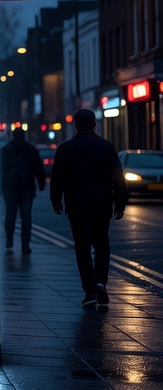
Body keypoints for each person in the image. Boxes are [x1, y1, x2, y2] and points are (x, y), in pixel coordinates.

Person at [50, 109, 128, 308]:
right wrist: (120, 204)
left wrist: (56, 201)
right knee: (102, 244)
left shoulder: (66, 148)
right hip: (102, 204)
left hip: (77, 205)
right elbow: (117, 178)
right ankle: (101, 281)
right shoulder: (107, 147)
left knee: (82, 247)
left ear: (75, 125)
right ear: (95, 125)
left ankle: (90, 291)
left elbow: (57, 177)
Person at [0, 127, 46, 254]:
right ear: (24, 136)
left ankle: (9, 240)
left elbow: (1, 170)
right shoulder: (31, 149)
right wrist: (41, 184)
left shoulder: (5, 150)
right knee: (26, 217)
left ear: (13, 136)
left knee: (10, 215)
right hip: (27, 187)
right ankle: (25, 245)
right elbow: (38, 168)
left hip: (10, 187)